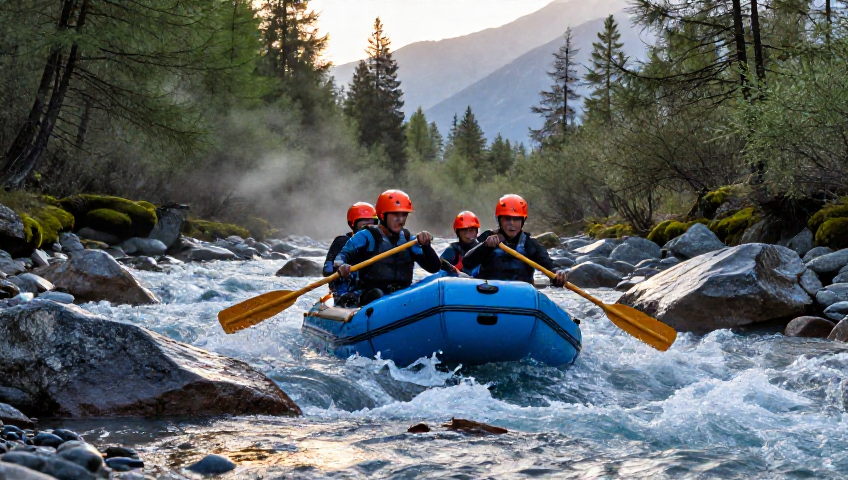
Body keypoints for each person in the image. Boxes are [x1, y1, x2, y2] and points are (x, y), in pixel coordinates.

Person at [336, 190, 440, 305]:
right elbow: (340, 257)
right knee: (376, 293)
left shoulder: (408, 239)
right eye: (395, 215)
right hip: (371, 296)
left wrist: (426, 246)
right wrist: (342, 266)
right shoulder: (366, 236)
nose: (400, 220)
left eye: (404, 215)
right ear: (382, 215)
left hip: (401, 295)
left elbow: (434, 268)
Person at [462, 194, 567, 286]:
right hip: (490, 292)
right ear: (499, 220)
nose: (512, 223)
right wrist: (485, 246)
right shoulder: (487, 237)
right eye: (507, 219)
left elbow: (548, 263)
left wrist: (557, 273)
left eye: (516, 219)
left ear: (523, 221)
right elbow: (467, 262)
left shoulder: (530, 244)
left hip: (520, 296)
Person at [323, 202, 378, 298]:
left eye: (372, 221)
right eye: (364, 221)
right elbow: (327, 270)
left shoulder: (377, 241)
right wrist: (340, 268)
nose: (369, 225)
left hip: (368, 288)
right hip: (345, 290)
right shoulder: (342, 241)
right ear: (353, 223)